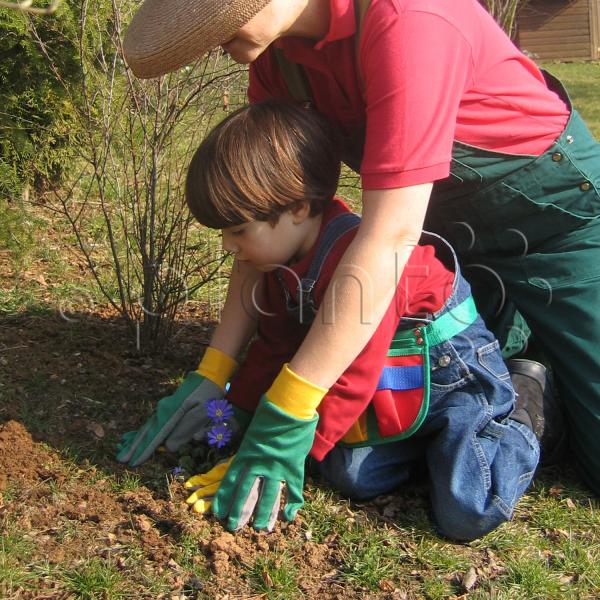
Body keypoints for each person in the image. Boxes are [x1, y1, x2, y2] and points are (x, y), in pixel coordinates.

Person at [121, 0, 600, 499]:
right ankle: (517, 343)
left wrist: (288, 410)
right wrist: (214, 371)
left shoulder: (409, 20)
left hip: (552, 218)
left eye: (216, 21)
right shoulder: (277, 58)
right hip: (438, 239)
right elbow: (262, 235)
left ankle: (531, 375)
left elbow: (388, 237)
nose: (211, 41)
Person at [184, 100, 539, 541]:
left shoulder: (362, 265)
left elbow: (355, 370)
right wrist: (239, 420)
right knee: (350, 476)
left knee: (469, 507)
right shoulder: (280, 266)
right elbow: (274, 347)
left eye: (238, 231)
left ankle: (526, 405)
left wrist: (287, 447)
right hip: (390, 385)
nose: (227, 247)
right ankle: (431, 446)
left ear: (297, 208)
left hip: (450, 370)